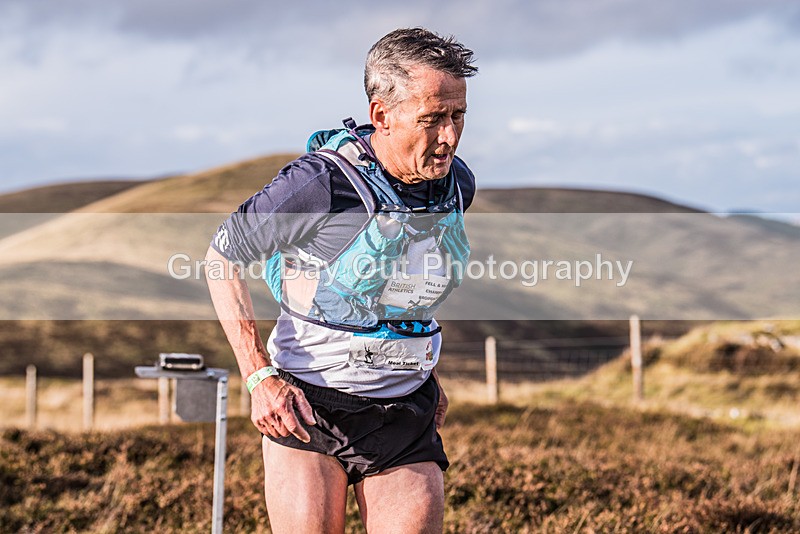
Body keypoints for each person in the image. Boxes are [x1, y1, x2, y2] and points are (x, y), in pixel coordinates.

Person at [205, 27, 477, 534]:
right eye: (432, 119)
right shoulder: (319, 184)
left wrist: (424, 365)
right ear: (381, 115)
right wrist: (259, 377)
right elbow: (222, 257)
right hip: (310, 405)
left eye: (458, 115)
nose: (450, 137)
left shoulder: (456, 184)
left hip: (404, 407)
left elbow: (409, 287)